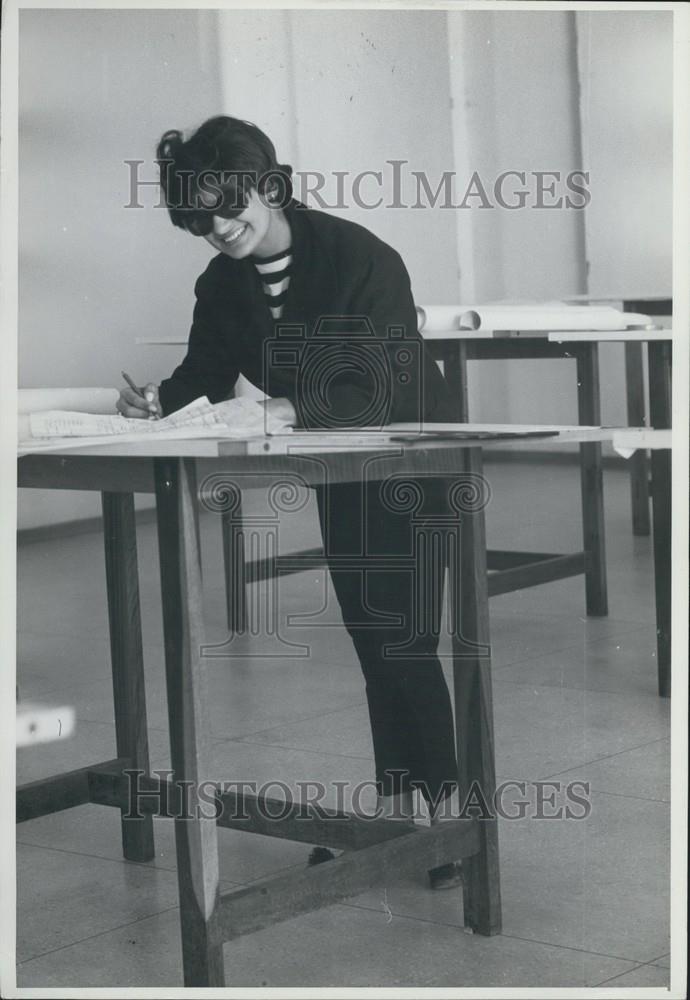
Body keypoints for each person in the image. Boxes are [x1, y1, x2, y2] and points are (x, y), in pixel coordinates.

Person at [117, 115, 462, 889]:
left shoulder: (358, 256)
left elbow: (386, 383)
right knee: (378, 643)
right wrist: (159, 405)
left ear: (268, 185)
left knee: (402, 643)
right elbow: (204, 370)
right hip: (340, 472)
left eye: (227, 206)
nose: (218, 229)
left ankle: (447, 820)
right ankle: (400, 813)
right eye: (199, 219)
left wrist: (288, 409)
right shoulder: (222, 281)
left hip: (408, 463)